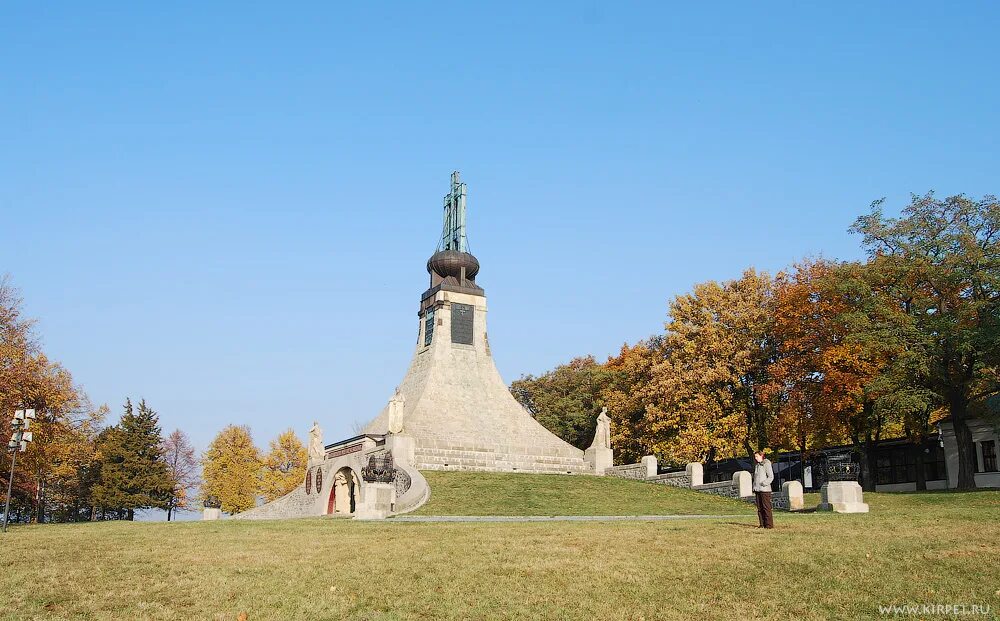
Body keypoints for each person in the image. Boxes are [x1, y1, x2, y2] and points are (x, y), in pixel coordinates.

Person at [752, 450, 775, 529]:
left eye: (757, 456)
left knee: (766, 507)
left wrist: (764, 483)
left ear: (761, 456)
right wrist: (754, 487)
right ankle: (762, 524)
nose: (756, 458)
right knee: (759, 508)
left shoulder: (766, 464)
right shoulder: (757, 465)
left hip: (765, 490)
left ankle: (769, 525)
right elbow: (755, 478)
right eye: (755, 457)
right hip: (757, 489)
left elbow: (771, 477)